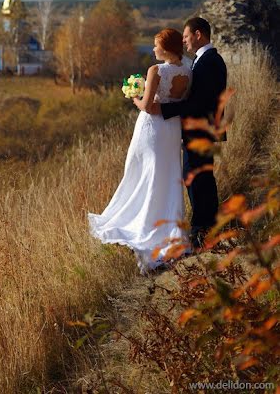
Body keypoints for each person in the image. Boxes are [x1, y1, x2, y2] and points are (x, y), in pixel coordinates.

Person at [88, 28, 192, 273]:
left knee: (139, 171)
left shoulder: (156, 70)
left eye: (156, 46)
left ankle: (139, 221)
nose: (153, 49)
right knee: (166, 174)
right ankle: (166, 223)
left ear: (165, 49)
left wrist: (133, 95)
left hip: (152, 129)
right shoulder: (188, 70)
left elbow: (147, 106)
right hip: (172, 129)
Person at [138, 17, 227, 249]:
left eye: (187, 37)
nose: (185, 42)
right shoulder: (199, 62)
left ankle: (202, 230)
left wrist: (164, 109)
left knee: (197, 179)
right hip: (196, 128)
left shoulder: (210, 62)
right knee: (200, 178)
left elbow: (199, 102)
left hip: (201, 128)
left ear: (199, 35)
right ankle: (207, 227)